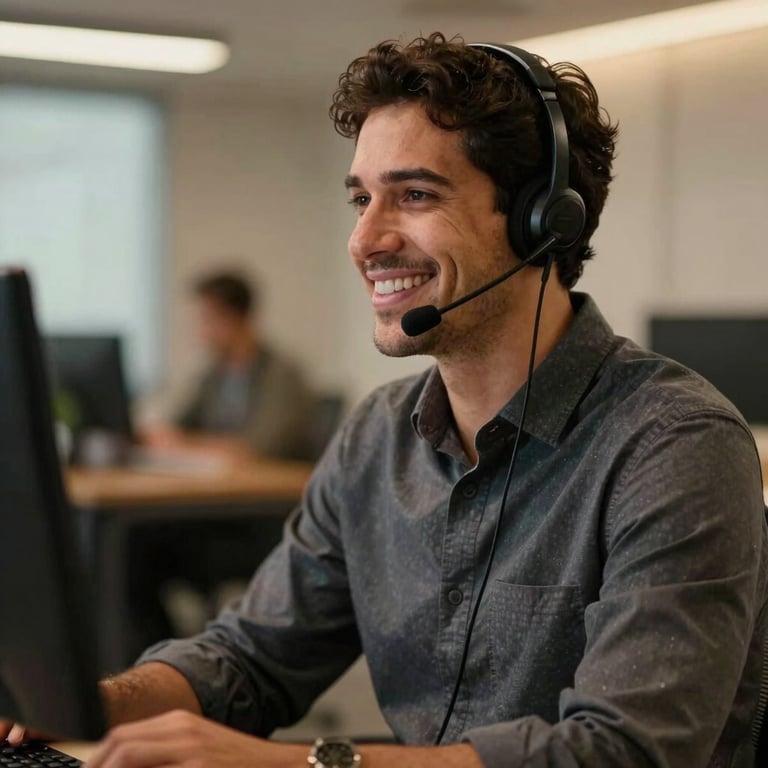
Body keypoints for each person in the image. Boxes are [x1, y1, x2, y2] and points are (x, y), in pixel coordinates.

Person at [4, 32, 767, 768]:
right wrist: (85, 708)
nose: (365, 239)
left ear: (543, 219)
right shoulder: (378, 436)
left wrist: (303, 763)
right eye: (361, 198)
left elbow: (624, 753)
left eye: (414, 194)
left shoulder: (674, 444)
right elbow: (249, 658)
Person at [146, 271, 316, 462]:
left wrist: (188, 444)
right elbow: (175, 428)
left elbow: (258, 449)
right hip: (223, 482)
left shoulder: (282, 376)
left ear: (236, 319)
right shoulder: (213, 374)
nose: (201, 333)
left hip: (270, 485)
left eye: (207, 320)